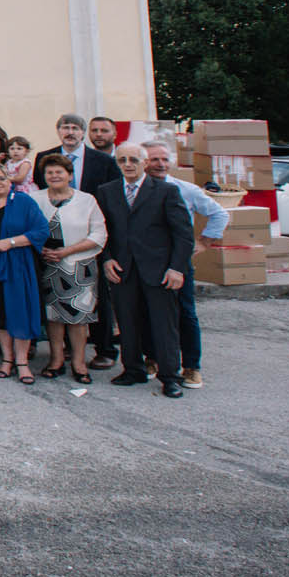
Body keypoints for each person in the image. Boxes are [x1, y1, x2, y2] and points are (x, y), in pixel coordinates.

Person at [96, 142, 191, 397]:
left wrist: (176, 268)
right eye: (123, 160)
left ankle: (170, 376)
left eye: (134, 160)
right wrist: (106, 259)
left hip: (158, 269)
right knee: (127, 321)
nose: (128, 164)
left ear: (145, 163)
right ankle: (133, 369)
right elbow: (101, 231)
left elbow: (182, 234)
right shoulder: (107, 192)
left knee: (163, 324)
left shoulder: (166, 191)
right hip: (122, 268)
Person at [43, 112, 123, 368]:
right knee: (55, 301)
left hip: (90, 234)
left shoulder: (103, 161)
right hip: (54, 241)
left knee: (97, 297)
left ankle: (104, 348)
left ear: (82, 132)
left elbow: (112, 196)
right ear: (58, 131)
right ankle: (64, 351)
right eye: (65, 127)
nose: (70, 132)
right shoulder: (45, 158)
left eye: (75, 128)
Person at [144, 141, 219, 389]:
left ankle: (191, 367)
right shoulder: (137, 190)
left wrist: (205, 241)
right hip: (148, 261)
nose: (160, 164)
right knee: (148, 312)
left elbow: (219, 213)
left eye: (164, 159)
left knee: (185, 314)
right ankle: (152, 358)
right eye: (154, 159)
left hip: (178, 261)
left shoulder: (186, 189)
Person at [0, 163, 51, 385]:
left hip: (18, 264)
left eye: (2, 178)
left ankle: (22, 362)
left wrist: (10, 242)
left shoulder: (23, 202)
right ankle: (7, 358)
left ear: (10, 180)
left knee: (19, 311)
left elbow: (41, 230)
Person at [34, 151, 107, 384]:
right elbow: (27, 229)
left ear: (69, 175)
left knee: (78, 317)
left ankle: (79, 362)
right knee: (53, 316)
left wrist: (68, 251)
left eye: (59, 172)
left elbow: (99, 233)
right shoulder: (36, 199)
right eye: (49, 172)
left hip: (78, 265)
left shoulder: (86, 200)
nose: (54, 176)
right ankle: (55, 359)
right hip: (48, 266)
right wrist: (39, 249)